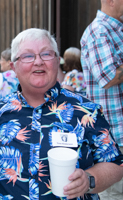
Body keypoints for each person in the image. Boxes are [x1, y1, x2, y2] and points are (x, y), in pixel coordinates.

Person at [0, 28, 123, 200]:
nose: (38, 62)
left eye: (46, 54)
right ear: (13, 67)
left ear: (57, 61)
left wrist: (89, 180)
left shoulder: (86, 111)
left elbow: (115, 164)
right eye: (28, 56)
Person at [80, 0, 123, 198]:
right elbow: (108, 77)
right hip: (115, 135)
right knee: (115, 193)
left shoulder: (113, 28)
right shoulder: (99, 30)